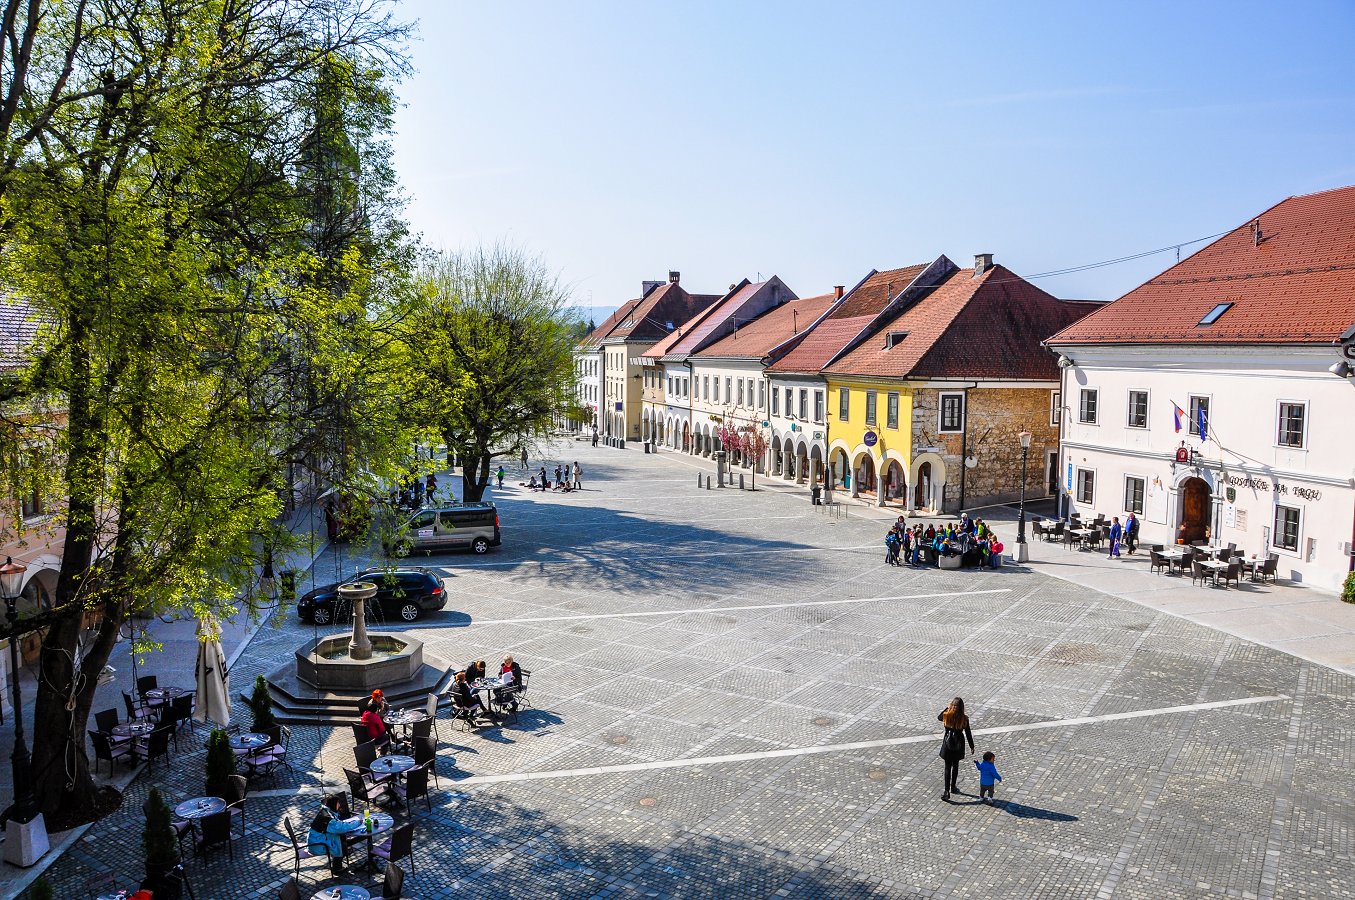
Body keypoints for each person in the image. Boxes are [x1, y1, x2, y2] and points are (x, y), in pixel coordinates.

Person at [307, 792, 365, 876]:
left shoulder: (326, 811)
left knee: (341, 839)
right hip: (317, 844)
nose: (339, 805)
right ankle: (337, 868)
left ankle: (339, 860)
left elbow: (337, 826)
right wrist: (358, 823)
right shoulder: (328, 818)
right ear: (334, 804)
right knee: (340, 843)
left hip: (316, 838)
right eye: (338, 803)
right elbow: (340, 828)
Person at [938, 697, 975, 800]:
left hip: (947, 744)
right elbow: (968, 733)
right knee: (955, 766)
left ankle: (946, 791)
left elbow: (939, 717)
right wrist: (971, 746)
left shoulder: (947, 715)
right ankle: (953, 787)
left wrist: (947, 708)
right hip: (958, 744)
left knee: (947, 767)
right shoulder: (964, 718)